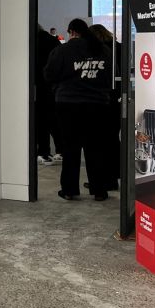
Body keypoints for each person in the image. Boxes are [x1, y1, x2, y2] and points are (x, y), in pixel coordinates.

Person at [44, 18, 112, 201]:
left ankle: (69, 189)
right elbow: (111, 77)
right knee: (95, 148)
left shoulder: (62, 50)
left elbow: (49, 74)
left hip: (68, 105)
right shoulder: (103, 50)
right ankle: (99, 190)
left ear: (72, 32)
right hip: (97, 105)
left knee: (70, 148)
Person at [89, 24, 121, 191]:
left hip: (101, 100)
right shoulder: (119, 47)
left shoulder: (98, 51)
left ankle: (103, 180)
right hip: (118, 99)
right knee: (113, 139)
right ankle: (115, 176)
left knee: (99, 143)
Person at [35, 24, 63, 165]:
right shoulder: (54, 41)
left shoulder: (32, 41)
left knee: (40, 121)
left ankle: (43, 152)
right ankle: (60, 150)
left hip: (37, 86)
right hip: (54, 87)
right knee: (54, 120)